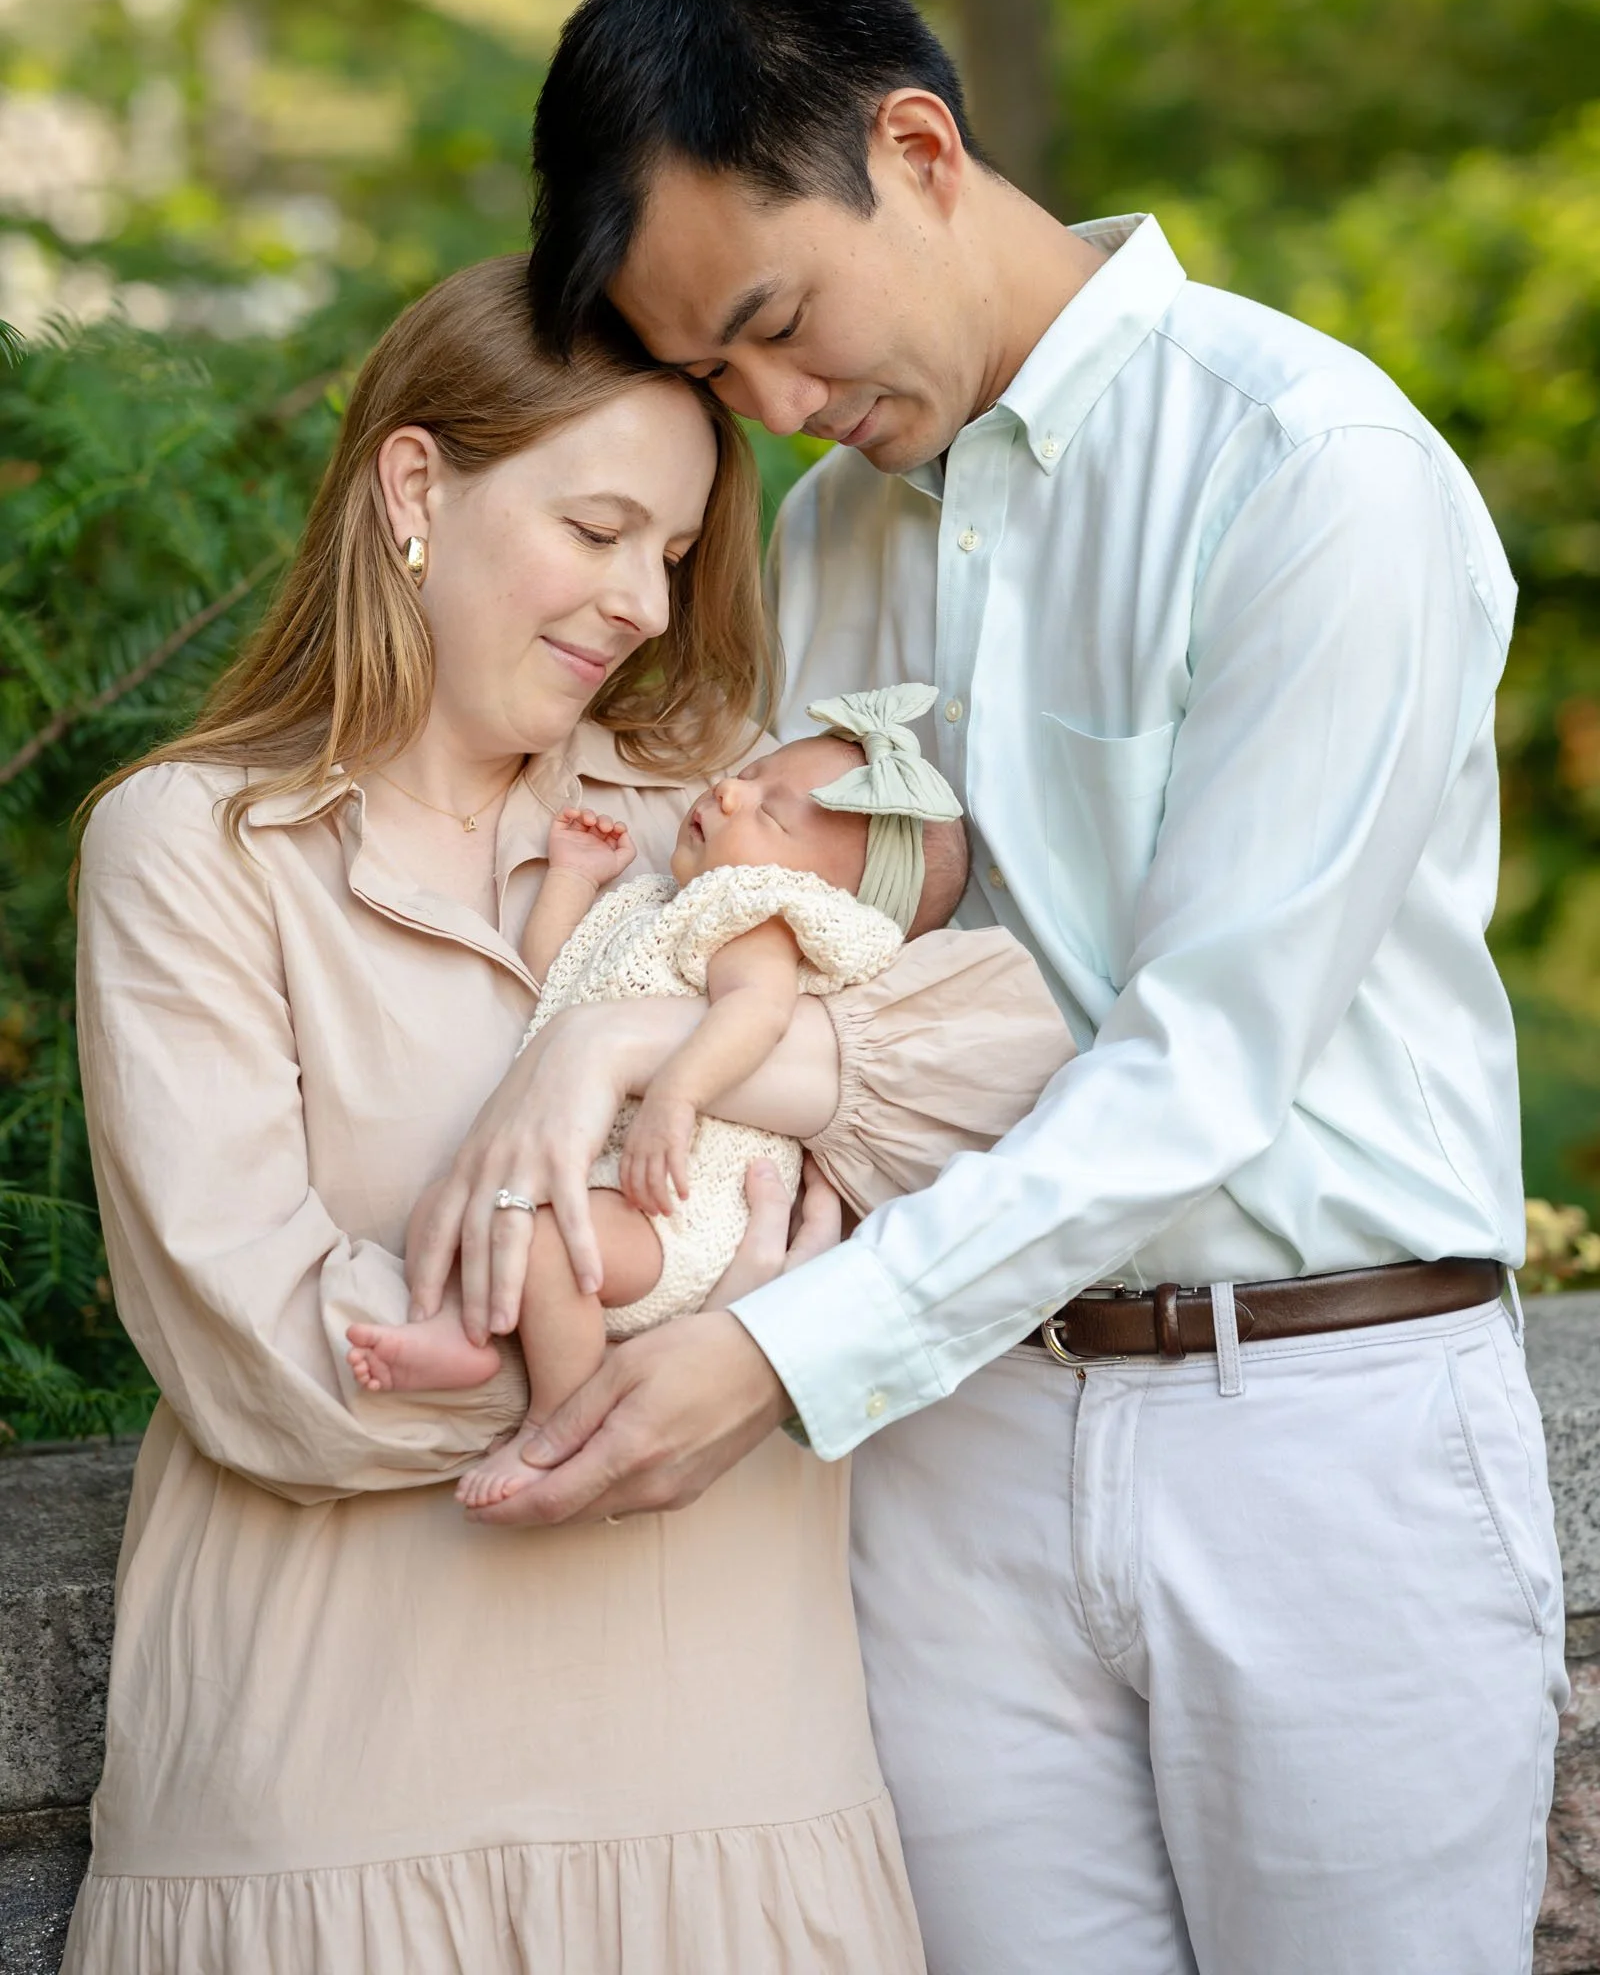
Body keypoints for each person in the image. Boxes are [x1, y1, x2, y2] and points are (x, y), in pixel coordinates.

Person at [454, 0, 1566, 1975]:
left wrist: (784, 1356)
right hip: (948, 1443)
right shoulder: (829, 535)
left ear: (918, 150)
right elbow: (812, 964)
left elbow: (1205, 1060)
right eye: (716, 378)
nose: (780, 410)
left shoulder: (1304, 473)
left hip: (1313, 1426)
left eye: (780, 323)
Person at [64, 253, 1067, 1974]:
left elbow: (1026, 1067)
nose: (645, 606)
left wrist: (624, 1050)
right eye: (598, 530)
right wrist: (738, 1337)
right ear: (414, 488)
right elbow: (270, 1361)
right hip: (331, 1810)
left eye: (672, 553)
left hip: (735, 1802)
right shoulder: (194, 850)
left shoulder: (715, 818)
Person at [348, 690, 985, 1511]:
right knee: (456, 1202)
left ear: (827, 896)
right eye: (754, 773)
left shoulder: (759, 920)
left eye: (771, 814)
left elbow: (755, 1014)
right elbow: (555, 982)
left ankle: (560, 1418)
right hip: (607, 1180)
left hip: (678, 1206)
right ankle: (458, 1334)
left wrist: (677, 1093)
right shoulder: (660, 905)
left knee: (544, 1242)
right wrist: (573, 880)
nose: (731, 791)